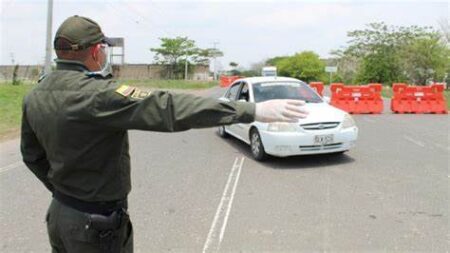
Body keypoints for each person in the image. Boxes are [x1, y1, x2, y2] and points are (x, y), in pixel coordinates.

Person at [20, 15, 308, 253]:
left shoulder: (34, 95)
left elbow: (31, 156)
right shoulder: (99, 95)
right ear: (96, 52)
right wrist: (251, 111)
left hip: (59, 215)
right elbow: (169, 107)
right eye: (103, 49)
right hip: (95, 227)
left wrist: (64, 191)